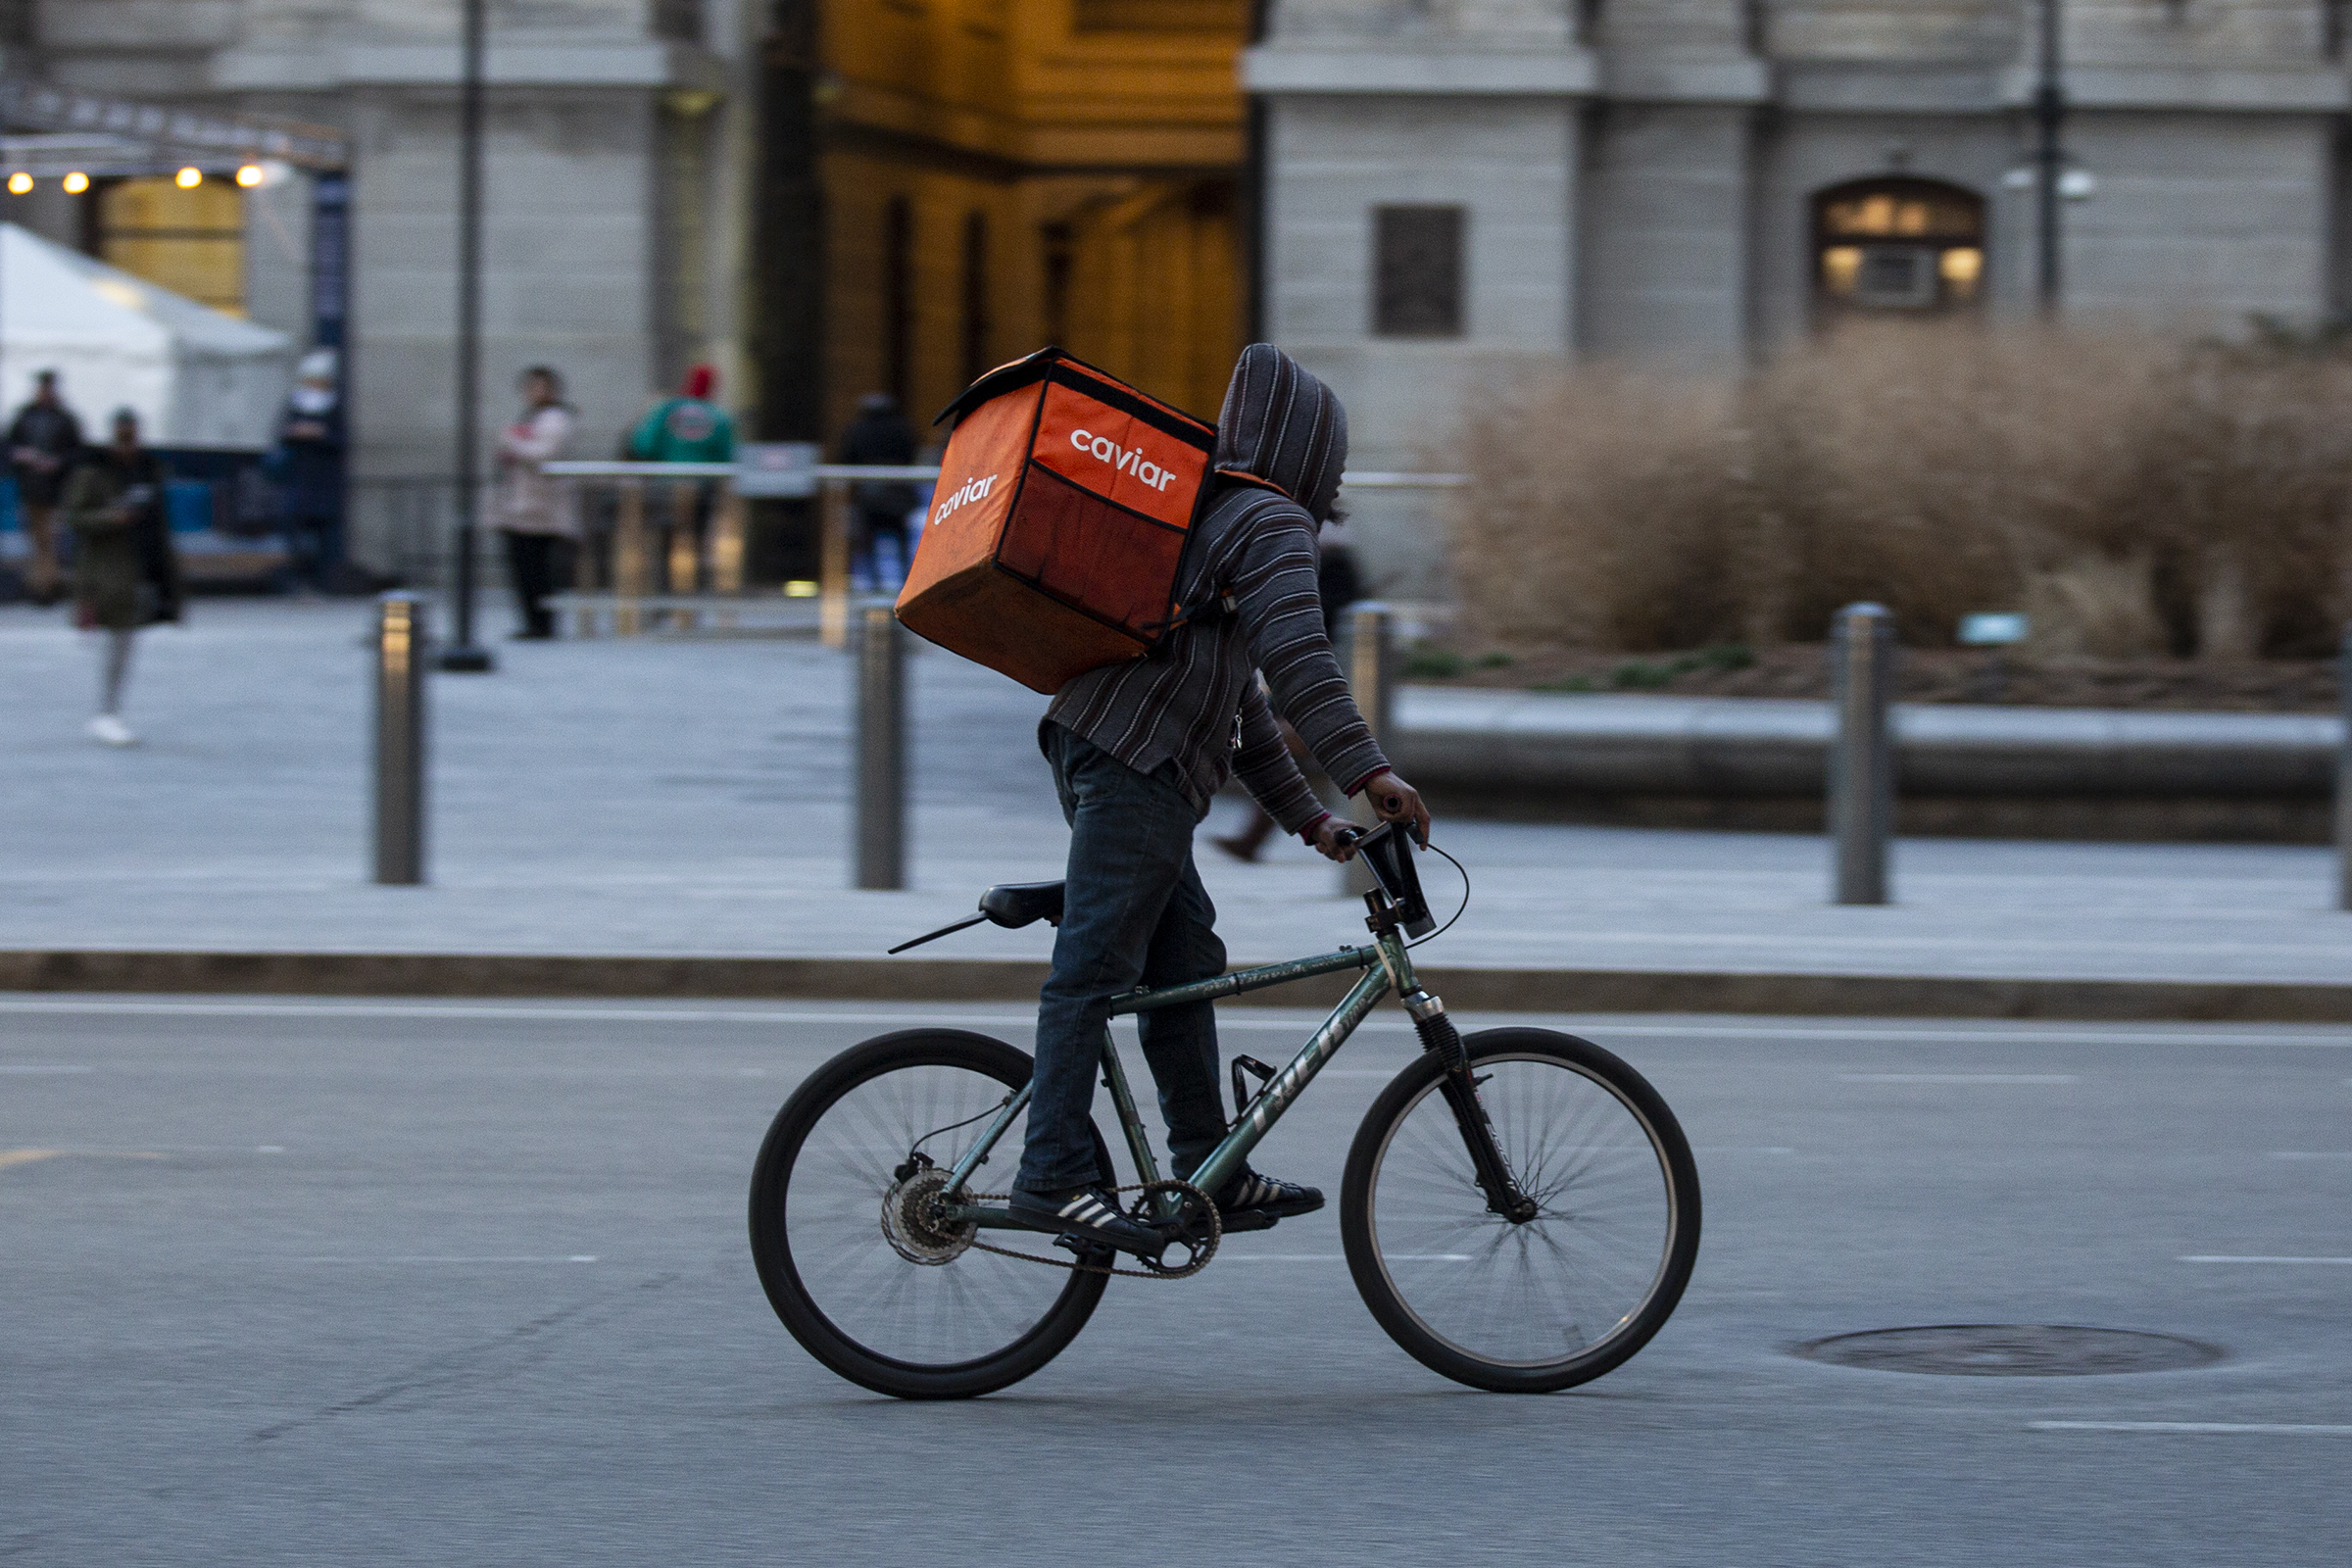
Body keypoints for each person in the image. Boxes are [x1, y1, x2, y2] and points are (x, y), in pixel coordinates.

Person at [1004, 343, 1432, 1255]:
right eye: (1336, 460)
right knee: (1093, 970)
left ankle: (1211, 1168)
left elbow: (1248, 714)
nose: (1338, 479)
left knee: (1184, 962)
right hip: (1132, 761)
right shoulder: (1271, 521)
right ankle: (1052, 1176)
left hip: (1114, 752)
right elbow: (1302, 660)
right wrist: (1369, 772)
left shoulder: (1220, 515)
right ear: (1309, 453)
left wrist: (1315, 819)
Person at [1211, 512, 1365, 863]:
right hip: (1301, 675)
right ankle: (1259, 838)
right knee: (1278, 745)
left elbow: (1311, 631)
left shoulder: (1320, 563)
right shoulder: (1315, 557)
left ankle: (1256, 839)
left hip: (1310, 676)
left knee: (1281, 745)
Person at [62, 408, 181, 746]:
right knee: (120, 636)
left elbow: (158, 518)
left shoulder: (147, 469)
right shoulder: (93, 471)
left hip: (142, 565)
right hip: (107, 568)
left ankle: (109, 711)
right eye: (123, 435)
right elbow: (74, 517)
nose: (129, 442)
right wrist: (109, 518)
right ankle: (107, 713)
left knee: (125, 637)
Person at [628, 365, 735, 591]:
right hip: (702, 489)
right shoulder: (719, 417)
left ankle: (665, 595)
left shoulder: (668, 409)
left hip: (666, 487)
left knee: (666, 543)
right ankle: (689, 595)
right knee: (695, 542)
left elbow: (643, 444)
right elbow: (729, 455)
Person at [494, 366, 577, 640]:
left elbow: (543, 452)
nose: (534, 392)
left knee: (537, 569)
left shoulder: (555, 418)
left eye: (540, 387)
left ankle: (542, 624)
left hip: (540, 506)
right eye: (530, 387)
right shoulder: (533, 417)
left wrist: (511, 443)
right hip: (522, 505)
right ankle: (533, 622)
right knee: (524, 568)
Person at [8, 369, 85, 607]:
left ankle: (44, 587)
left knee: (49, 540)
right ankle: (43, 585)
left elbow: (76, 453)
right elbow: (9, 446)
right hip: (30, 490)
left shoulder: (65, 419)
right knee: (38, 541)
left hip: (55, 491)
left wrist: (57, 463)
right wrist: (22, 456)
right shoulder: (24, 417)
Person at [273, 349, 346, 596]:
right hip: (299, 479)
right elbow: (281, 434)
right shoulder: (295, 403)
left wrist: (319, 435)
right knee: (296, 534)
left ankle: (320, 581)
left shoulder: (334, 407)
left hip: (323, 480)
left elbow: (341, 441)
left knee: (324, 537)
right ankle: (299, 580)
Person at [837, 391, 919, 592]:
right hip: (898, 492)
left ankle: (872, 586)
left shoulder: (857, 429)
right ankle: (908, 586)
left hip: (868, 495)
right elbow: (911, 453)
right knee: (901, 543)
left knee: (868, 545)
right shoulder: (902, 428)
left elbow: (847, 457)